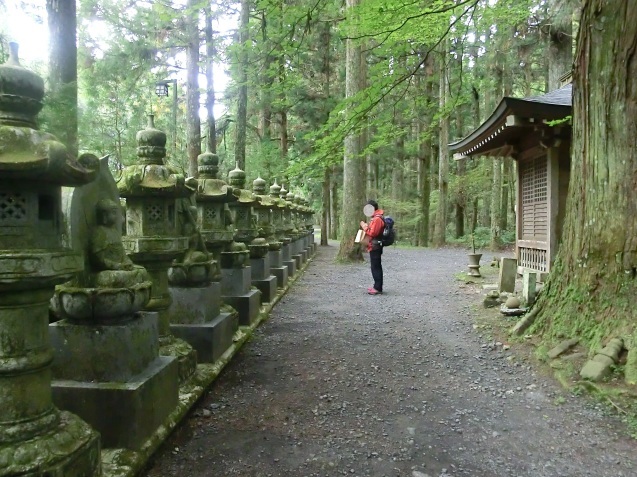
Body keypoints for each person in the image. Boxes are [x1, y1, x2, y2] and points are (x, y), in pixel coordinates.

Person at [359, 199, 385, 295]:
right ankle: (376, 286)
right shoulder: (376, 218)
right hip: (374, 245)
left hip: (376, 246)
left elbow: (373, 233)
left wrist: (364, 226)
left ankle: (378, 287)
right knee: (375, 266)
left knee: (376, 267)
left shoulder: (377, 219)